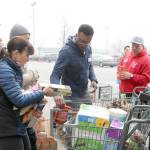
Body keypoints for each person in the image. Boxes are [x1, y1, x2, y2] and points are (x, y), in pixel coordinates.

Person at [0, 37, 62, 150]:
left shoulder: (12, 69)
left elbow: (16, 97)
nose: (28, 59)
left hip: (17, 125)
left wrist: (34, 107)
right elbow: (18, 100)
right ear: (15, 53)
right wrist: (42, 93)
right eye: (27, 55)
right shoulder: (4, 70)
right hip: (7, 128)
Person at [50, 24, 98, 107]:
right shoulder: (66, 52)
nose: (83, 45)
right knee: (74, 118)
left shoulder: (88, 48)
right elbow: (55, 75)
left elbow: (89, 65)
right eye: (81, 41)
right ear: (77, 35)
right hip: (70, 95)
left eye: (87, 42)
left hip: (84, 92)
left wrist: (93, 79)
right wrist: (56, 92)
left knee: (88, 115)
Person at [9, 24, 38, 150]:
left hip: (25, 115)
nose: (27, 42)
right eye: (24, 38)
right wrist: (32, 75)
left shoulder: (20, 59)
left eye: (28, 39)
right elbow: (15, 84)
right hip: (11, 122)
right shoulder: (8, 61)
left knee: (31, 140)